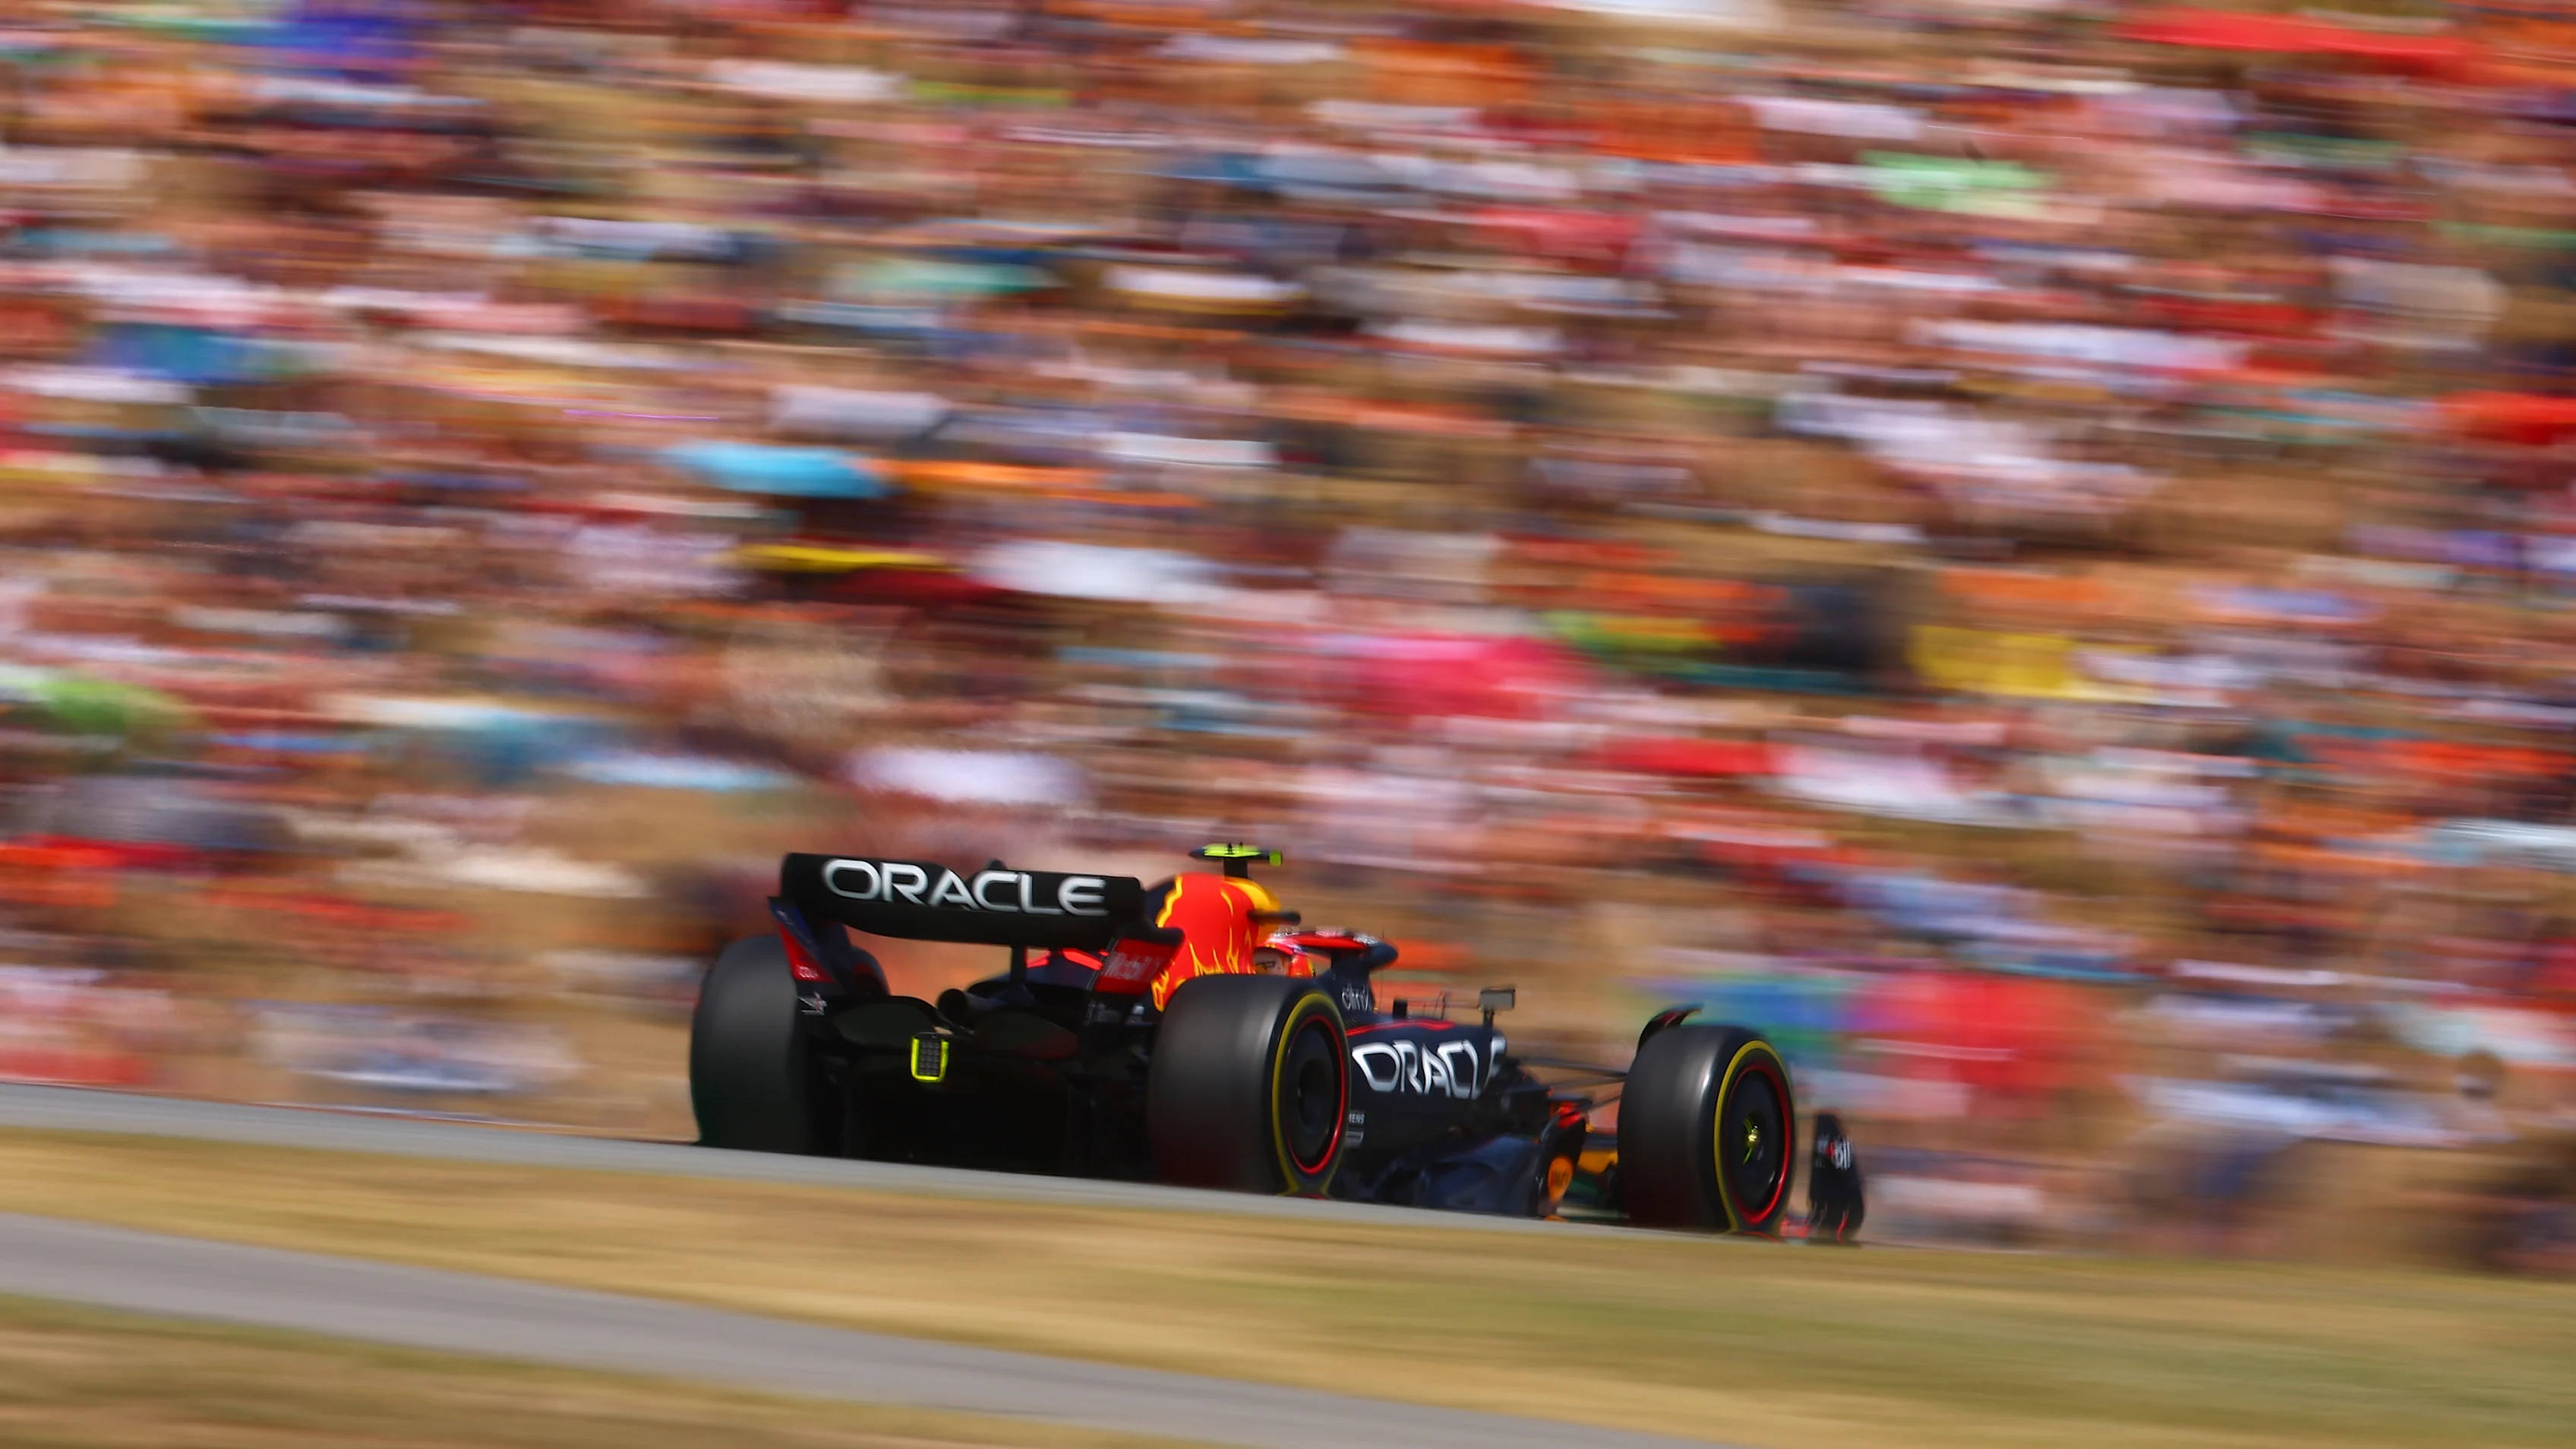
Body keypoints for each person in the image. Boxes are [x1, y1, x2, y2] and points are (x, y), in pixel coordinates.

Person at [1809, 1110, 1866, 1244]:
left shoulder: (1831, 1143)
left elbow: (1847, 1173)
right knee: (1826, 1235)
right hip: (1835, 1201)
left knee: (1831, 1236)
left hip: (1840, 1202)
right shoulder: (1831, 1142)